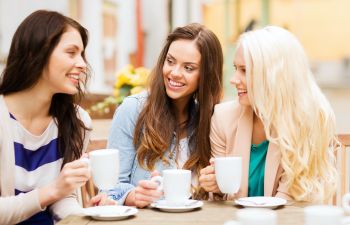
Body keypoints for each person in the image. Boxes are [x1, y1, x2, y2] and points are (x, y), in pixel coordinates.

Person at [199, 26, 338, 203]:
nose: (233, 80)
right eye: (235, 68)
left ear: (274, 75)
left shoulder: (309, 120)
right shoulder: (223, 117)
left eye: (245, 70)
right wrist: (216, 186)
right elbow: (223, 197)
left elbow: (289, 200)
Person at [0, 10, 113, 225]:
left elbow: (63, 199)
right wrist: (52, 190)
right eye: (71, 53)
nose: (82, 64)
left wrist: (89, 216)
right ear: (36, 53)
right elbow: (55, 192)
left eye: (82, 54)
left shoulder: (78, 121)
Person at [107, 23, 223, 208]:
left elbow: (222, 193)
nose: (174, 73)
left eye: (189, 68)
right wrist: (132, 196)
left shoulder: (211, 119)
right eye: (170, 61)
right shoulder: (133, 110)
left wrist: (218, 186)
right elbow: (108, 188)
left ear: (206, 75)